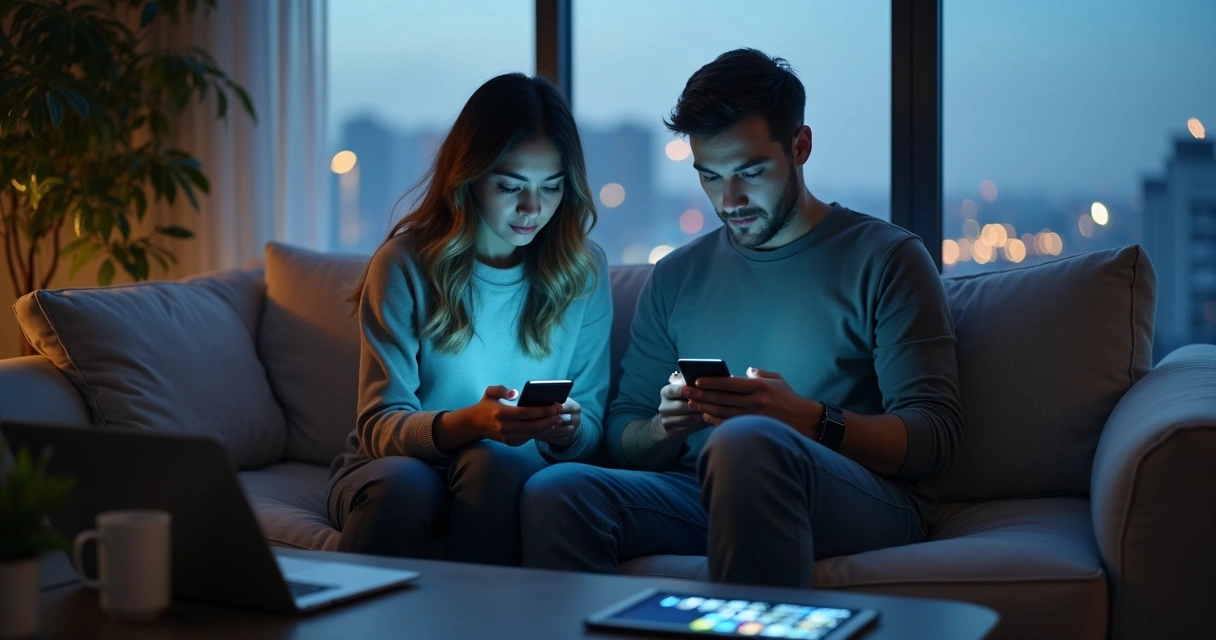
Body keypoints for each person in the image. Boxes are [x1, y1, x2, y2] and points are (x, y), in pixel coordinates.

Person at [520, 49, 962, 587]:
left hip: (860, 495)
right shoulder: (678, 276)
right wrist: (664, 428)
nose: (730, 200)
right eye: (710, 177)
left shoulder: (887, 258)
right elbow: (621, 434)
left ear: (799, 146)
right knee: (558, 490)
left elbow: (935, 438)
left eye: (750, 171)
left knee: (748, 442)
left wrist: (808, 418)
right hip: (700, 493)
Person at [327, 73, 612, 566]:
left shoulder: (583, 272)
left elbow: (590, 426)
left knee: (494, 462)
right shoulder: (404, 264)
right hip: (393, 470)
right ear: (469, 177)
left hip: (503, 473)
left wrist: (565, 430)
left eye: (551, 187)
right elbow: (379, 424)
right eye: (510, 186)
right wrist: (470, 422)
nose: (532, 207)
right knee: (405, 486)